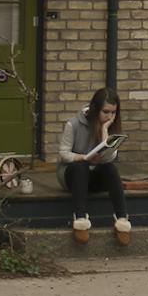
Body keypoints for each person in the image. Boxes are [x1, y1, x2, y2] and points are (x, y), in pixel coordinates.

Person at [57, 86, 131, 245]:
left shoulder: (110, 125)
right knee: (81, 166)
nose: (110, 116)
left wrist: (105, 132)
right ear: (95, 109)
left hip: (94, 176)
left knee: (110, 168)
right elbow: (63, 153)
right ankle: (81, 219)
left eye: (113, 112)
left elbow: (109, 158)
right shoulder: (73, 124)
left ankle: (122, 220)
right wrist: (83, 157)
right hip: (72, 175)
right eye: (106, 112)